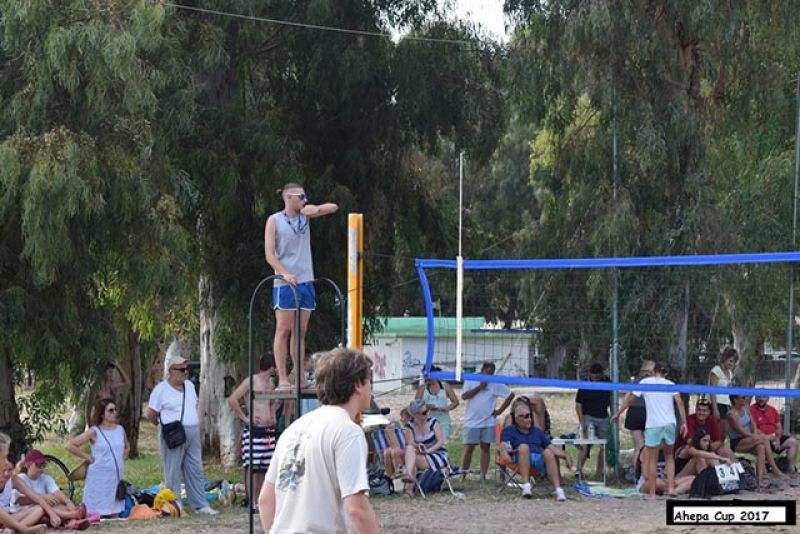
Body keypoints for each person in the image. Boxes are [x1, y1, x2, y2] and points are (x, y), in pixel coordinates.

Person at [258, 347, 379, 534]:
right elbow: (357, 508)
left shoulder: (294, 429)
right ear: (358, 384)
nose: (371, 387)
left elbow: (265, 500)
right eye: (370, 381)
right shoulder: (348, 432)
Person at [264, 183, 338, 389]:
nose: (304, 200)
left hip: (306, 280)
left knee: (300, 331)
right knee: (283, 329)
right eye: (301, 196)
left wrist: (315, 209)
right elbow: (270, 254)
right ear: (288, 197)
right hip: (285, 282)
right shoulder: (275, 220)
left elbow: (333, 207)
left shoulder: (305, 216)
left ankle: (299, 376)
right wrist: (284, 273)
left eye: (305, 196)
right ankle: (283, 378)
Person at [146, 349, 218, 516]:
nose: (185, 373)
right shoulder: (161, 389)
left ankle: (199, 504)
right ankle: (174, 503)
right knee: (172, 469)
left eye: (186, 369)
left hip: (192, 431)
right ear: (171, 370)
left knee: (195, 468)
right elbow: (151, 413)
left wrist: (197, 422)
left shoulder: (190, 386)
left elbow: (195, 405)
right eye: (181, 369)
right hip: (173, 432)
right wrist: (162, 425)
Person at [612, 362, 687, 500]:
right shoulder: (671, 384)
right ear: (666, 374)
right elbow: (680, 403)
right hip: (670, 423)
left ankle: (652, 493)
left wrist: (618, 412)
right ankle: (670, 488)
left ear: (653, 371)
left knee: (651, 460)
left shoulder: (645, 382)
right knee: (669, 457)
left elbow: (630, 399)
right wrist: (684, 423)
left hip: (654, 424)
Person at [227, 353, 278, 510]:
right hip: (254, 429)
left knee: (265, 466)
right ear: (271, 366)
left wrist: (273, 415)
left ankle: (261, 499)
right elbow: (233, 399)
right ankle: (252, 501)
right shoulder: (252, 381)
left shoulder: (271, 383)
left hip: (268, 429)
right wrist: (245, 418)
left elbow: (271, 403)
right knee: (252, 466)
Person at [67, 397, 129, 518]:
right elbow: (70, 445)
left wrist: (122, 460)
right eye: (111, 410)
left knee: (115, 512)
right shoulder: (94, 431)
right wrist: (87, 457)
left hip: (116, 476)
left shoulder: (120, 430)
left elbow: (127, 446)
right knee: (95, 514)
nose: (114, 413)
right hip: (99, 477)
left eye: (115, 410)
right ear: (102, 414)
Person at [499, 398, 572, 501]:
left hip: (537, 458)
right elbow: (503, 446)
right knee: (524, 447)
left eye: (529, 415)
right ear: (517, 419)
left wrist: (566, 456)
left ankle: (558, 490)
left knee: (547, 452)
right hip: (519, 458)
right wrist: (504, 455)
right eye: (524, 417)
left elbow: (551, 447)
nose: (528, 419)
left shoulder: (537, 431)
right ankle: (526, 486)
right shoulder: (510, 431)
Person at [460, 361, 515, 481]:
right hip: (471, 421)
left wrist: (500, 410)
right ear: (482, 370)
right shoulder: (471, 378)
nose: (489, 375)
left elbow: (510, 395)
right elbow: (464, 396)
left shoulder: (495, 382)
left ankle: (483, 476)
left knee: (485, 447)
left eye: (492, 373)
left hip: (488, 421)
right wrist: (480, 387)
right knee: (469, 448)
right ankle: (463, 475)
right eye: (487, 372)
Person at [11, 450, 87, 529]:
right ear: (28, 465)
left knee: (62, 507)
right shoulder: (21, 478)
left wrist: (68, 502)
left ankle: (72, 520)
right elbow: (19, 500)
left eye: (43, 465)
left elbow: (57, 493)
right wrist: (43, 498)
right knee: (43, 510)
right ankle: (72, 516)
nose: (41, 468)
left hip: (44, 510)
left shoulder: (45, 478)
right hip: (25, 512)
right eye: (38, 465)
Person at [727, 394, 789, 486]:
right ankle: (775, 469)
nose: (746, 399)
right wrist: (755, 437)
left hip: (749, 439)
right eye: (743, 397)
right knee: (763, 439)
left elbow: (753, 425)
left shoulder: (746, 409)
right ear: (735, 400)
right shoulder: (731, 414)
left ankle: (759, 480)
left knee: (761, 446)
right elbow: (741, 431)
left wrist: (755, 434)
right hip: (738, 442)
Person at [0, 433, 48, 534]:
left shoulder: (13, 479)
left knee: (39, 509)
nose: (5, 461)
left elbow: (36, 497)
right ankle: (22, 529)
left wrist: (53, 514)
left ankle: (12, 529)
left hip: (8, 518)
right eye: (4, 457)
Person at [400, 400, 449, 497]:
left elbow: (440, 441)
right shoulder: (410, 426)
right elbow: (410, 443)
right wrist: (418, 446)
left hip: (437, 454)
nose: (427, 414)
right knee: (410, 449)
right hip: (420, 454)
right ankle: (409, 482)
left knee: (411, 459)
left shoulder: (433, 422)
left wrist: (428, 451)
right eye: (424, 413)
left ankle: (409, 485)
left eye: (427, 411)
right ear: (415, 415)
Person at [575, 362, 611, 478]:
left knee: (605, 445)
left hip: (603, 417)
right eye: (593, 377)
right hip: (588, 417)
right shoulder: (584, 384)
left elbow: (611, 400)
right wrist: (582, 422)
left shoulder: (607, 382)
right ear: (590, 374)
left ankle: (599, 472)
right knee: (585, 444)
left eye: (598, 377)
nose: (595, 379)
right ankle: (579, 470)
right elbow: (578, 404)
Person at [674, 396, 735, 463]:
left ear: (709, 412)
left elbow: (718, 441)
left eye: (704, 410)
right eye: (699, 410)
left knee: (726, 451)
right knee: (701, 456)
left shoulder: (712, 420)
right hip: (686, 449)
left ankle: (736, 470)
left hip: (705, 447)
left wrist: (710, 446)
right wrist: (709, 446)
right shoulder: (689, 419)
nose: (701, 413)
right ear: (695, 410)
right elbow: (690, 442)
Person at [749, 395, 798, 475]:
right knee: (762, 445)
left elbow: (779, 427)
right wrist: (767, 437)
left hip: (775, 437)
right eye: (759, 397)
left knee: (793, 442)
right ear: (755, 398)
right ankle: (769, 471)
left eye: (764, 397)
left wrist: (778, 439)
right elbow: (753, 429)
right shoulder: (751, 410)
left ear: (768, 398)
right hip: (762, 438)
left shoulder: (772, 410)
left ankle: (791, 469)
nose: (761, 399)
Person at [625, 360, 654, 478]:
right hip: (649, 413)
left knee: (638, 447)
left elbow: (627, 397)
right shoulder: (655, 382)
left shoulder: (634, 381)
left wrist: (619, 412)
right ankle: (646, 475)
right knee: (649, 447)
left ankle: (637, 477)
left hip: (634, 413)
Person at [414, 366, 459, 440]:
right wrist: (427, 406)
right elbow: (415, 405)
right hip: (427, 422)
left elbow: (455, 402)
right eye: (424, 376)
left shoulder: (445, 386)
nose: (426, 379)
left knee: (442, 443)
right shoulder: (422, 388)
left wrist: (447, 408)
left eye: (427, 376)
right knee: (430, 443)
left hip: (443, 421)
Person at [709, 347, 738, 439]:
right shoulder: (716, 370)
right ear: (724, 359)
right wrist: (715, 409)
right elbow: (712, 390)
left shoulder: (730, 373)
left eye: (733, 362)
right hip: (716, 404)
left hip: (726, 404)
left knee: (724, 432)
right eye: (730, 361)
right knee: (717, 430)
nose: (731, 363)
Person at [382, 408, 411, 478]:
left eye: (402, 417)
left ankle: (401, 474)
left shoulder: (411, 428)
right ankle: (389, 478)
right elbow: (394, 444)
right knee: (387, 452)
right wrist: (388, 432)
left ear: (410, 418)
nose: (401, 419)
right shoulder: (403, 428)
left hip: (412, 451)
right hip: (404, 449)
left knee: (395, 452)